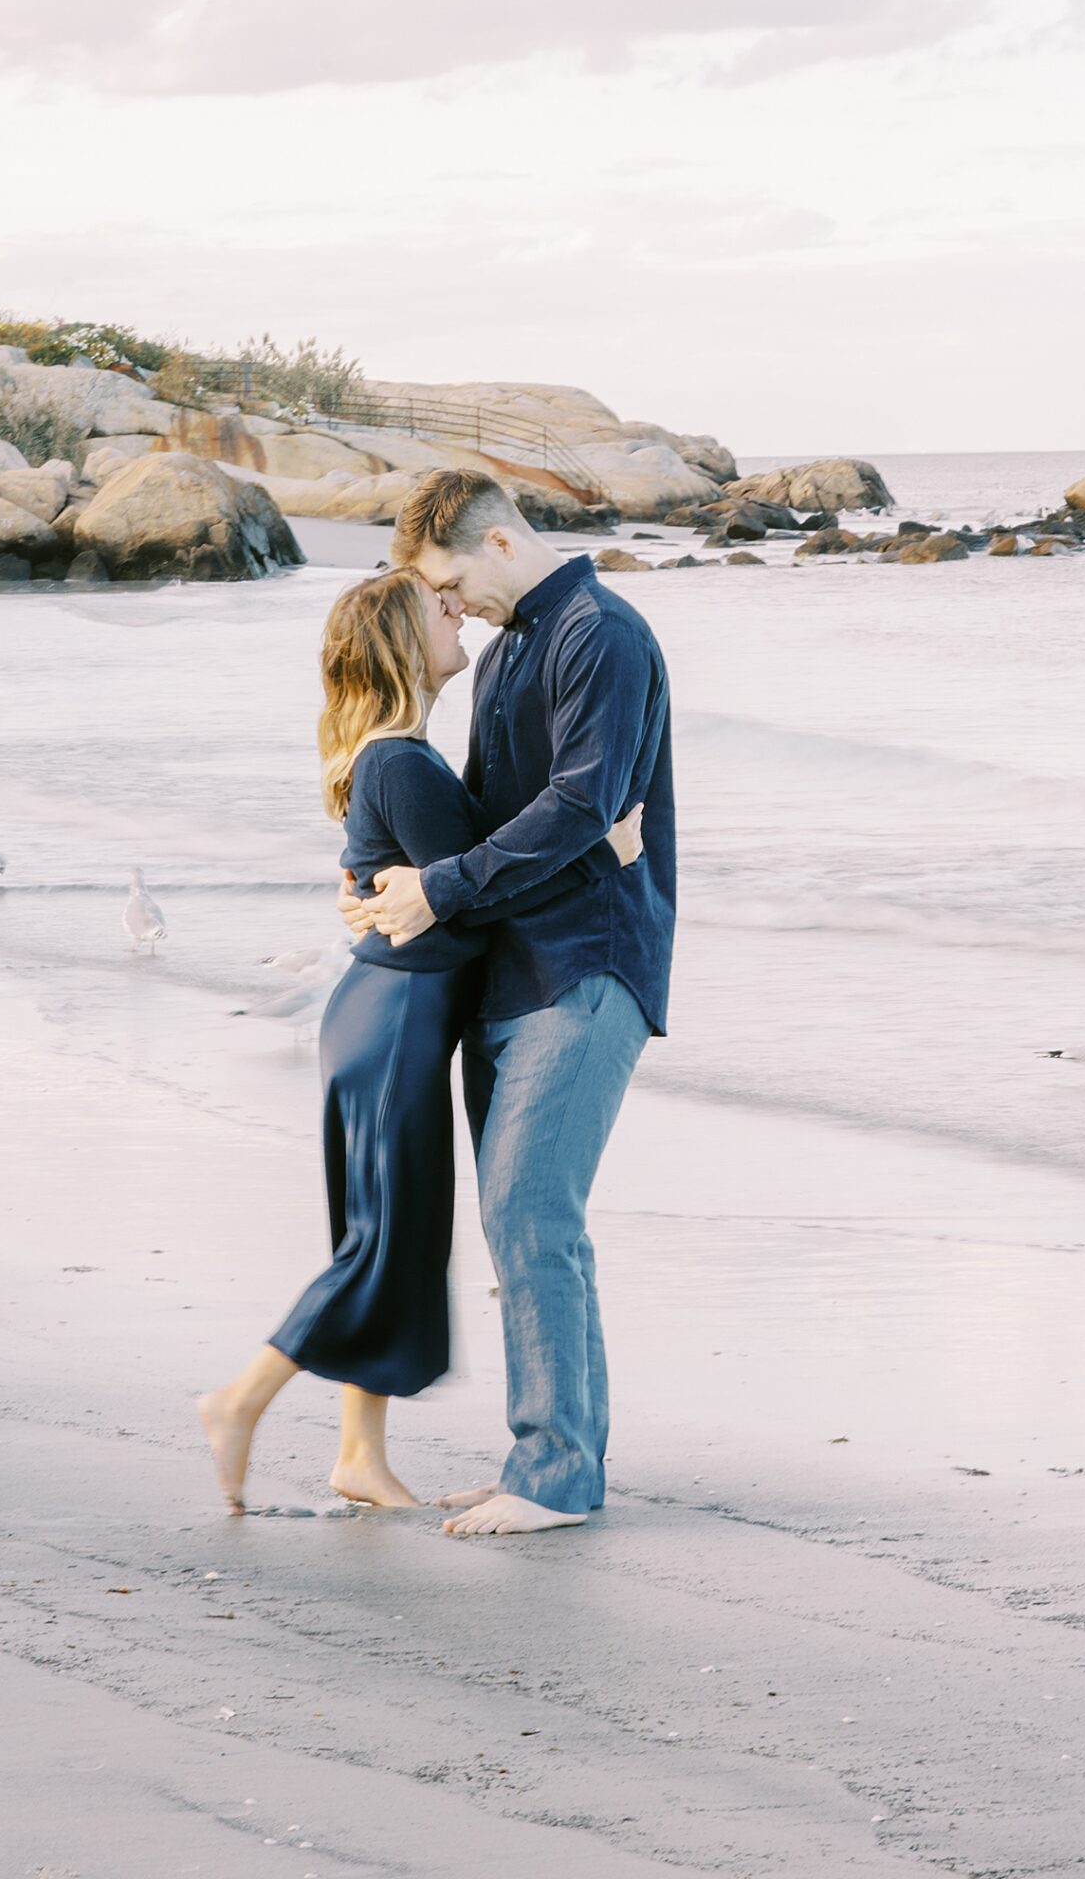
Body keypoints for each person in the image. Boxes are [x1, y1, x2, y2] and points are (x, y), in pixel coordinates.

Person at [197, 566, 642, 1513]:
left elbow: (444, 884)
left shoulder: (396, 754)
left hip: (387, 1012)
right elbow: (470, 903)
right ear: (404, 642)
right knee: (382, 1243)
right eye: (436, 610)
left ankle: (359, 1454)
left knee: (394, 1237)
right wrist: (604, 850)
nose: (457, 615)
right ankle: (237, 1401)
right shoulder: (401, 760)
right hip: (396, 1020)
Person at [348, 470, 676, 1538]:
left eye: (450, 581)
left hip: (589, 962)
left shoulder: (602, 633)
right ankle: (547, 1454)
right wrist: (378, 886)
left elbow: (582, 803)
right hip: (516, 968)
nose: (452, 606)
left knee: (532, 1211)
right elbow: (487, 822)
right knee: (520, 1220)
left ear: (497, 540)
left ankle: (557, 1475)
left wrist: (436, 887)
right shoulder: (505, 655)